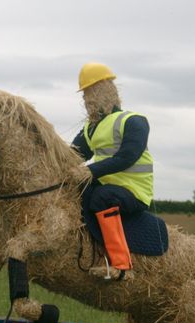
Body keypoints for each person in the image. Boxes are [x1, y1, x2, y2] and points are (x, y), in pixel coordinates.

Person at [70, 62, 154, 281]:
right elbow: (71, 155)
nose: (88, 100)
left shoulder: (133, 121)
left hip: (134, 191)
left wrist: (90, 171)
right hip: (109, 186)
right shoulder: (91, 128)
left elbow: (128, 156)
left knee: (101, 198)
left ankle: (122, 266)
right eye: (85, 95)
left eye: (92, 92)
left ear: (110, 90)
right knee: (78, 192)